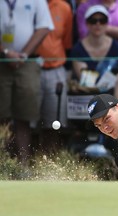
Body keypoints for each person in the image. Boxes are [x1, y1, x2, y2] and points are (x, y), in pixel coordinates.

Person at [0, 0, 54, 165]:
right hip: (1, 62)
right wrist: (6, 52)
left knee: (24, 117)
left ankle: (23, 165)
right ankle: (3, 164)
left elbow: (44, 27)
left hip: (27, 62)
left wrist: (23, 54)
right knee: (2, 117)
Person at [71, 5, 118, 112]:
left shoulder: (117, 47)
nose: (98, 24)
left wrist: (116, 106)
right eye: (93, 21)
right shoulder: (78, 49)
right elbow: (88, 84)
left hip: (112, 94)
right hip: (87, 96)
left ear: (107, 23)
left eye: (102, 20)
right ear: (87, 24)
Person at [36, 0, 73, 154]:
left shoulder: (64, 7)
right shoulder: (29, 4)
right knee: (25, 121)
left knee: (54, 123)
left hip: (56, 70)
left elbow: (67, 42)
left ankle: (49, 161)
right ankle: (24, 163)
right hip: (30, 69)